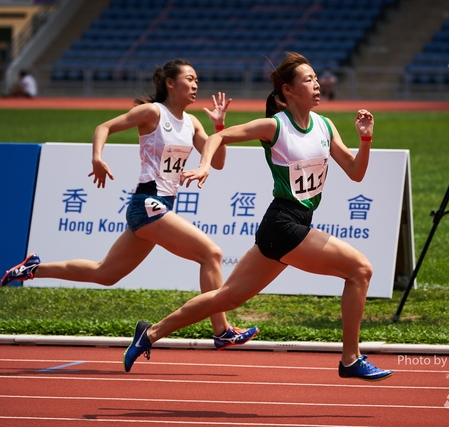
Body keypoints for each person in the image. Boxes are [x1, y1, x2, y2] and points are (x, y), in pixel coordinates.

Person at [122, 52, 393, 381]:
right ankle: (350, 359)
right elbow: (220, 136)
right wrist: (205, 164)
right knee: (360, 270)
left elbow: (355, 172)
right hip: (283, 224)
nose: (318, 84)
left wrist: (365, 139)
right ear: (289, 91)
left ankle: (149, 333)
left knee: (226, 297)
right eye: (309, 80)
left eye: (317, 78)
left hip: (286, 226)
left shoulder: (325, 125)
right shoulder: (274, 126)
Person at [0, 58, 258, 353]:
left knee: (105, 274)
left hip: (159, 207)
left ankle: (33, 269)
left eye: (197, 80)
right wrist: (97, 157)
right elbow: (104, 127)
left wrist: (219, 127)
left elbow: (219, 162)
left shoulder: (192, 123)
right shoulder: (152, 112)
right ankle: (222, 330)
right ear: (170, 83)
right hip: (148, 203)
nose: (196, 84)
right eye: (190, 78)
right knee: (211, 254)